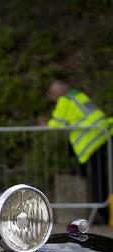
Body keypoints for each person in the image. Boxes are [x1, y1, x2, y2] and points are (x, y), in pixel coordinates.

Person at [43, 81, 113, 221]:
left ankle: (103, 214)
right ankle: (102, 211)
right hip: (104, 133)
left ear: (55, 93)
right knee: (101, 177)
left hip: (91, 140)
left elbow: (57, 124)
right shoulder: (78, 95)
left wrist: (45, 124)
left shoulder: (65, 100)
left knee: (97, 179)